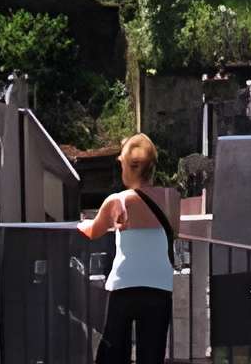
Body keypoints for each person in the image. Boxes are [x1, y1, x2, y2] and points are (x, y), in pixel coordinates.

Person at [80, 132, 181, 364]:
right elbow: (173, 231)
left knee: (114, 353)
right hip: (159, 286)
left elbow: (94, 231)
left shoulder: (117, 201)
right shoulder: (171, 198)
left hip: (125, 286)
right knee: (152, 355)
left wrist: (82, 224)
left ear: (129, 167)